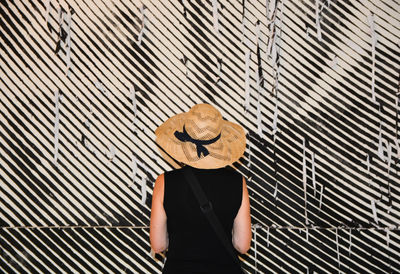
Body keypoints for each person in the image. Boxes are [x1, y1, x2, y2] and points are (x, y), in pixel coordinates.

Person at [150, 103, 251, 274]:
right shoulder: (237, 182)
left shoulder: (164, 182)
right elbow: (242, 245)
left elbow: (158, 245)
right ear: (219, 141)